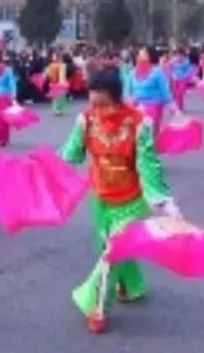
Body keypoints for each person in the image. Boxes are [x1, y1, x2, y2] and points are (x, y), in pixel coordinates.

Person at [61, 70, 180, 334]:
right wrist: (45, 168)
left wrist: (162, 201)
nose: (98, 111)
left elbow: (148, 165)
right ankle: (130, 286)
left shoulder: (139, 124)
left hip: (130, 201)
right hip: (101, 199)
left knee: (112, 252)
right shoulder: (86, 121)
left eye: (104, 105)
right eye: (93, 104)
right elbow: (71, 154)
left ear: (118, 99)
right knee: (111, 247)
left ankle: (97, 308)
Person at [123, 47, 173, 136]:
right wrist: (129, 101)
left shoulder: (157, 72)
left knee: (150, 134)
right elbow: (127, 90)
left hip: (153, 106)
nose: (141, 56)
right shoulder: (132, 73)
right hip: (136, 106)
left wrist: (172, 106)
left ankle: (153, 142)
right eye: (139, 55)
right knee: (138, 134)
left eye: (144, 54)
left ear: (150, 57)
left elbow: (164, 90)